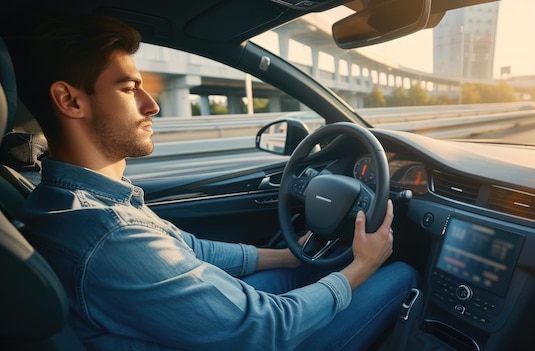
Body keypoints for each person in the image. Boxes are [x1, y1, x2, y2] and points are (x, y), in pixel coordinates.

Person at [5, 13, 418, 351]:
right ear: (70, 100)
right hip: (252, 337)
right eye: (130, 88)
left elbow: (191, 248)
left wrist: (292, 257)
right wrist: (365, 263)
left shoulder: (76, 198)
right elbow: (267, 329)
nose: (153, 105)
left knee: (306, 275)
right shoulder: (109, 235)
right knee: (400, 273)